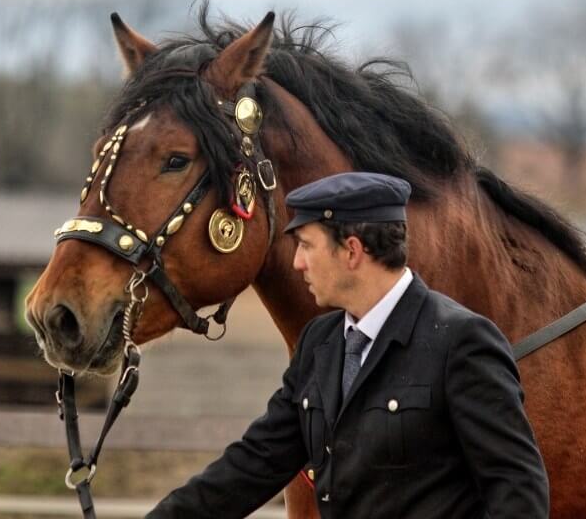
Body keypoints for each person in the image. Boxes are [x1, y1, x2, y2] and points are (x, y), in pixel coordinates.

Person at [147, 172, 549, 518]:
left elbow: (518, 492)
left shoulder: (461, 342)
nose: (297, 262)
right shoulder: (320, 344)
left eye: (306, 244)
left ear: (352, 251)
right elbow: (254, 464)